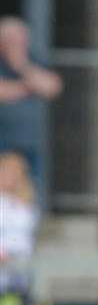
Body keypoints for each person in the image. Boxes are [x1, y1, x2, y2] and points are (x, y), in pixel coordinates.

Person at [0, 17, 62, 204]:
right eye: (10, 40)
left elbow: (52, 86)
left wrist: (22, 66)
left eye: (20, 39)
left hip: (31, 145)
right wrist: (29, 87)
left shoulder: (33, 60)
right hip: (3, 143)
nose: (16, 44)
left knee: (29, 195)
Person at [0, 150, 38, 294]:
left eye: (16, 172)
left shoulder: (26, 204)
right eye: (7, 171)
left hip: (20, 273)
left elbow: (26, 237)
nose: (11, 176)